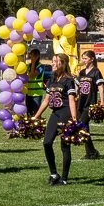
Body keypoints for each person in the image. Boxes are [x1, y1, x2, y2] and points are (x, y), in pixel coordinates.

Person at [33, 53, 79, 185]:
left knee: (65, 146)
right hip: (55, 113)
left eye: (55, 61)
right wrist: (35, 116)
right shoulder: (52, 78)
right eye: (53, 61)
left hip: (65, 113)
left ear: (63, 64)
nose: (52, 63)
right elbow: (46, 100)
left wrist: (74, 119)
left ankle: (64, 179)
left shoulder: (68, 80)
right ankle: (54, 173)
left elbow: (71, 100)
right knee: (47, 142)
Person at [77, 50, 104, 160]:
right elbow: (78, 87)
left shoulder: (96, 72)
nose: (83, 60)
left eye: (85, 58)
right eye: (82, 58)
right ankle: (91, 152)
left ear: (92, 59)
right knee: (84, 127)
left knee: (83, 124)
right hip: (80, 103)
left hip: (90, 103)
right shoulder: (82, 72)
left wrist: (102, 102)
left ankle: (91, 151)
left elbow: (101, 87)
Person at [25, 48, 45, 115]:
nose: (32, 57)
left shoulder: (41, 67)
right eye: (31, 55)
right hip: (28, 93)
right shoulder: (28, 66)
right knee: (29, 113)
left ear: (38, 56)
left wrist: (33, 64)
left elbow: (32, 75)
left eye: (34, 56)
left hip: (36, 94)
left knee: (36, 114)